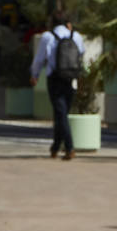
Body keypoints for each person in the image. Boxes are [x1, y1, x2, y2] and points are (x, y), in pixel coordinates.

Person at [30, 12, 86, 160]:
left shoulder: (48, 37)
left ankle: (69, 147)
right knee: (61, 113)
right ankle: (55, 147)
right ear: (67, 23)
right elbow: (81, 54)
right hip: (71, 78)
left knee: (61, 114)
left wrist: (34, 75)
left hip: (55, 79)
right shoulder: (76, 36)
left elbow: (39, 59)